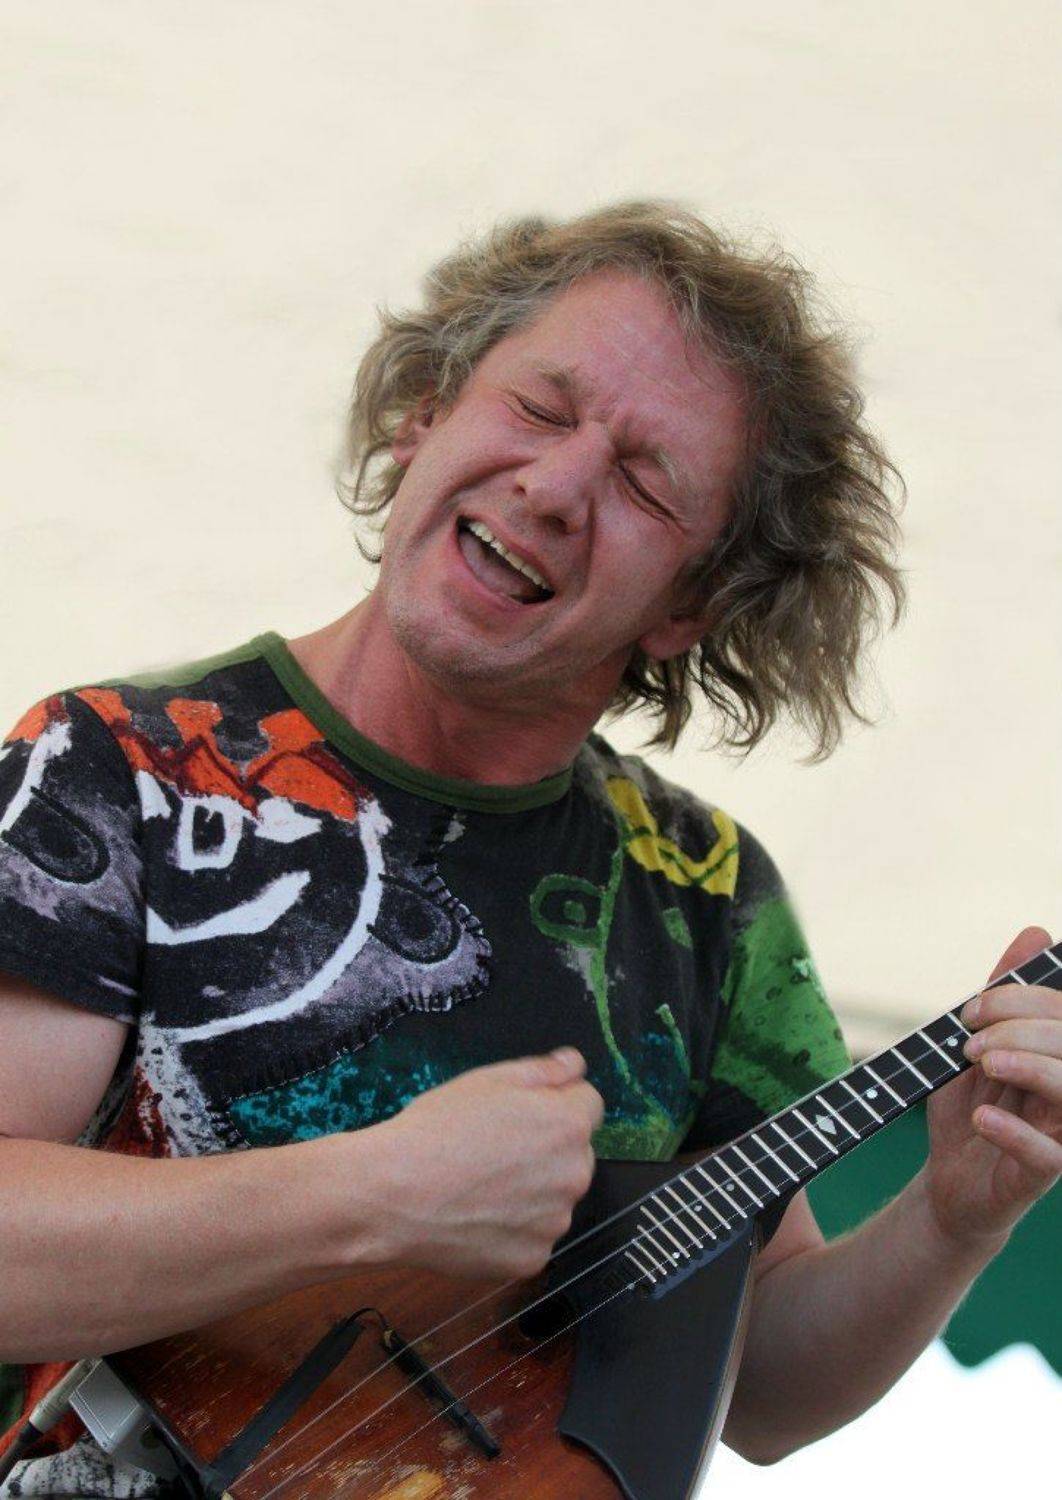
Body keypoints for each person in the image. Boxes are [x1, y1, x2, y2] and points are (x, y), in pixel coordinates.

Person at [0, 202, 1058, 1498]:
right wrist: (369, 1197)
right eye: (540, 410)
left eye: (645, 485)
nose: (554, 490)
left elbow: (761, 1396)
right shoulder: (114, 766)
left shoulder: (706, 896)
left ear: (690, 608)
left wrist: (954, 1213)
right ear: (422, 415)